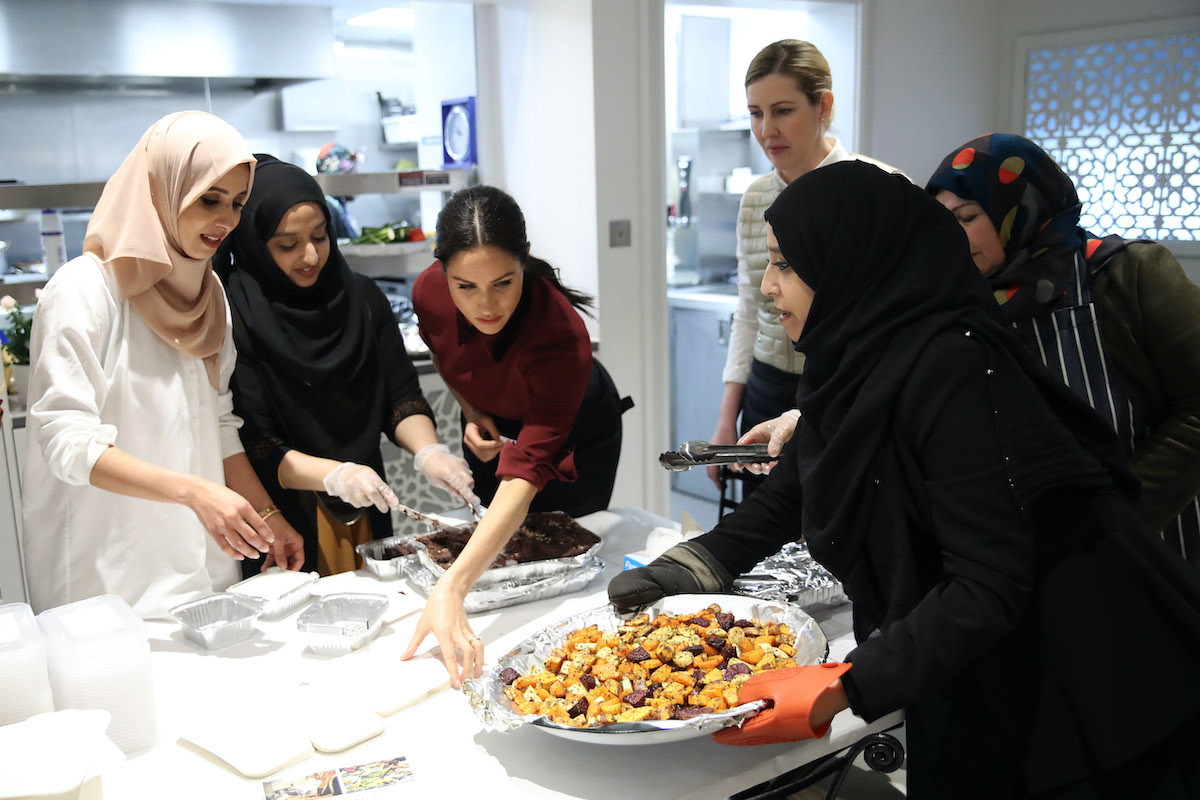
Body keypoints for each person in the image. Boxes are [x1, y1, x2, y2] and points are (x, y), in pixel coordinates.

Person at [609, 162, 1200, 799]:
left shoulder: (950, 367)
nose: (768, 285)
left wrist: (845, 684)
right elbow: (797, 485)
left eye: (786, 264)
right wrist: (694, 564)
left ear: (849, 261)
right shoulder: (856, 357)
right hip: (984, 649)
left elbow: (990, 581)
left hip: (1083, 666)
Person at [22, 112, 305, 619]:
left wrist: (266, 515)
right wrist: (193, 491)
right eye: (209, 200)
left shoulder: (208, 294)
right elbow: (67, 443)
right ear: (161, 189)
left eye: (238, 204)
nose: (226, 221)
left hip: (200, 570)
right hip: (106, 580)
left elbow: (217, 424)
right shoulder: (85, 291)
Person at [927, 133, 1200, 564]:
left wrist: (1116, 519)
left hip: (1157, 534)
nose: (952, 236)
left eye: (966, 217)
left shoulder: (1128, 275)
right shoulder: (961, 302)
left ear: (1021, 209)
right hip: (1042, 550)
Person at [402, 185, 629, 686]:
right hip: (499, 421)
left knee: (562, 556)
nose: (486, 305)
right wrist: (473, 410)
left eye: (503, 283)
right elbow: (445, 352)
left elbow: (525, 478)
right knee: (503, 546)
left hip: (577, 431)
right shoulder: (428, 293)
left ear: (525, 260)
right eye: (466, 287)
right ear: (442, 272)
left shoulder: (561, 337)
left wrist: (451, 587)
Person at [214, 155, 477, 577]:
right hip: (281, 514)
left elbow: (401, 398)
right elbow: (255, 442)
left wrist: (429, 451)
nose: (310, 255)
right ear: (253, 242)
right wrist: (335, 475)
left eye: (320, 236)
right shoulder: (233, 316)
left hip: (365, 502)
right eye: (287, 244)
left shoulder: (363, 300)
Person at [707, 38, 900, 499]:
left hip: (850, 389)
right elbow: (750, 311)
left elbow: (896, 319)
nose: (767, 129)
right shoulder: (756, 198)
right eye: (755, 113)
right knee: (760, 541)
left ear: (823, 106)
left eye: (783, 110)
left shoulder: (879, 189)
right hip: (768, 386)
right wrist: (725, 417)